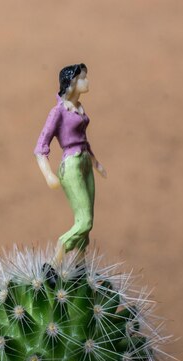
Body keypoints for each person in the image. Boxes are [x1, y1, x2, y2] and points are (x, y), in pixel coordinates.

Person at [34, 63, 107, 263]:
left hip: (84, 162)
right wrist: (48, 175)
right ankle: (57, 255)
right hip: (72, 165)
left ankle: (79, 267)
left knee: (86, 222)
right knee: (84, 222)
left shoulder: (79, 109)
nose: (87, 81)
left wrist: (95, 162)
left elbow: (84, 139)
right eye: (83, 78)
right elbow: (40, 147)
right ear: (73, 83)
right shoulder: (58, 111)